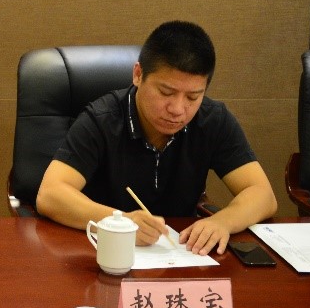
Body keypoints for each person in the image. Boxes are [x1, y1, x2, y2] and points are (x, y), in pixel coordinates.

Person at [35, 20, 277, 255]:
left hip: (180, 256)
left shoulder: (213, 120)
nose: (178, 110)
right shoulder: (101, 120)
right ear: (138, 74)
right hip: (103, 255)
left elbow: (262, 194)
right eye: (166, 92)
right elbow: (50, 194)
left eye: (192, 97)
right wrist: (121, 223)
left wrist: (223, 221)